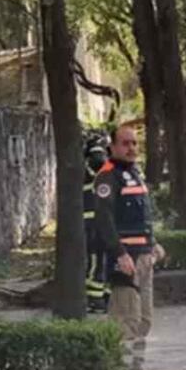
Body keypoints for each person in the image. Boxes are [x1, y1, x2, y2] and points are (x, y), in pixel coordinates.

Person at [92, 126, 167, 370]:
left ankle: (136, 366)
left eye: (134, 143)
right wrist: (120, 253)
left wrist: (152, 242)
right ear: (112, 147)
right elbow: (104, 220)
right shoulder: (107, 176)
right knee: (125, 318)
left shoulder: (134, 172)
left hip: (144, 256)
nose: (131, 148)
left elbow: (141, 214)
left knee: (144, 318)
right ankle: (120, 369)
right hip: (126, 259)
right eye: (125, 143)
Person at [83, 134, 110, 313]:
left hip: (92, 222)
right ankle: (96, 299)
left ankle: (98, 298)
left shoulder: (84, 168)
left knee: (98, 261)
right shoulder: (102, 165)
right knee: (98, 261)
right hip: (97, 222)